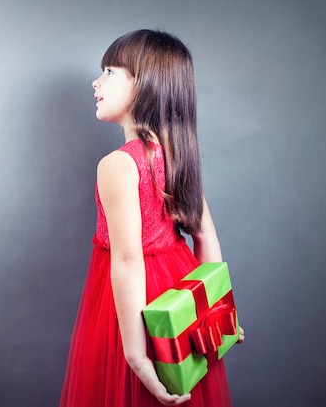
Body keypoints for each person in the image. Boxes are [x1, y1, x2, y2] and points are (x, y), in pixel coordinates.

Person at [59, 30, 244, 407]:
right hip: (178, 293)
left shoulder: (118, 164)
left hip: (133, 302)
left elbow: (127, 261)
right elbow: (206, 236)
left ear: (143, 85)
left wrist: (136, 354)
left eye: (110, 70)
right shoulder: (177, 154)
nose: (96, 81)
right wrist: (216, 313)